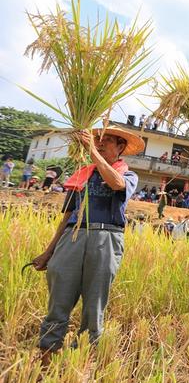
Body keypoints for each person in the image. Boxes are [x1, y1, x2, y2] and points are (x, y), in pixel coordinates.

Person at [31, 126, 145, 365]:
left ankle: (80, 365)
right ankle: (46, 362)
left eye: (107, 141)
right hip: (73, 236)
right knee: (58, 299)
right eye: (97, 140)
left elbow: (115, 184)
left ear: (121, 148)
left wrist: (92, 151)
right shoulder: (82, 175)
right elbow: (68, 215)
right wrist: (49, 251)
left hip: (105, 239)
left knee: (94, 307)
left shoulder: (128, 175)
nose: (100, 144)